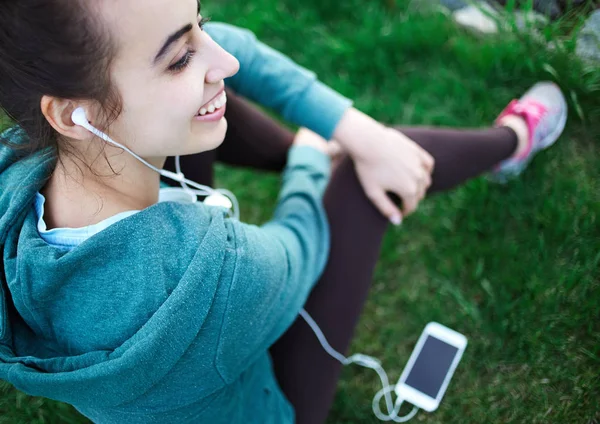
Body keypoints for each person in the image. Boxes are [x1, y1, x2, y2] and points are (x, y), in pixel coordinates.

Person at [0, 0, 567, 423]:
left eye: (199, 20)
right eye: (178, 58)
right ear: (72, 112)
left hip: (191, 363)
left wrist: (352, 128)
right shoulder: (213, 276)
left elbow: (228, 46)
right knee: (353, 184)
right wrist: (313, 158)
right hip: (272, 404)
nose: (221, 56)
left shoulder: (22, 167)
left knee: (204, 108)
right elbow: (302, 243)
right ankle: (513, 139)